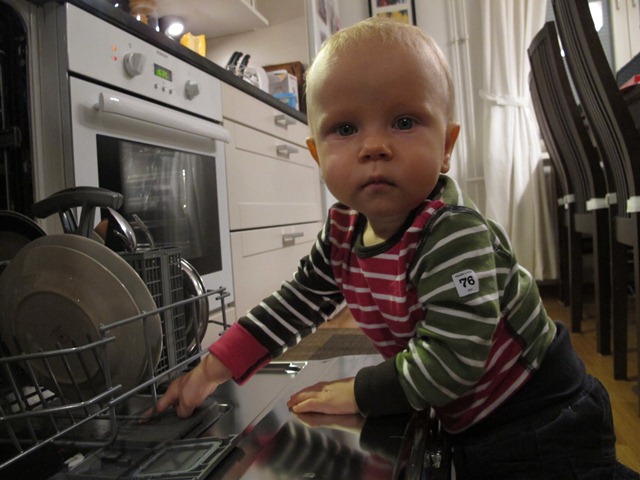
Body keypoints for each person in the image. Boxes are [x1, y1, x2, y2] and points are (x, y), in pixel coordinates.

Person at [156, 17, 626, 478]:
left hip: (541, 420)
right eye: (345, 129)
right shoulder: (342, 232)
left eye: (404, 122)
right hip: (473, 421)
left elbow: (454, 358)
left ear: (446, 145)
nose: (374, 146)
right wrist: (213, 367)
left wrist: (359, 392)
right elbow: (294, 303)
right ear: (317, 154)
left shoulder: (452, 233)